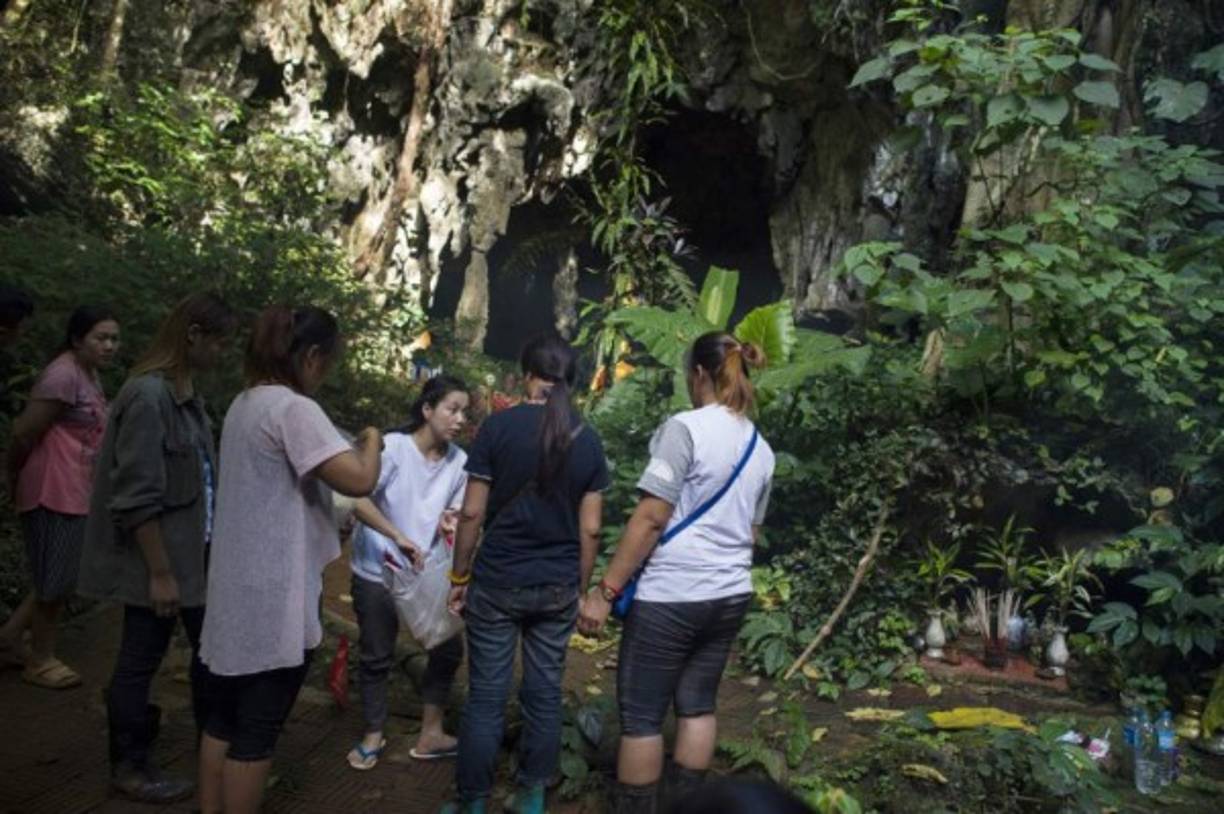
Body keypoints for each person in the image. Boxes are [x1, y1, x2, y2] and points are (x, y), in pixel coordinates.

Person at [578, 332, 776, 814]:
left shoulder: (685, 428)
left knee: (643, 716)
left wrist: (606, 591)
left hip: (673, 593)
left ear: (700, 374)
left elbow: (651, 517)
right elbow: (751, 534)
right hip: (730, 594)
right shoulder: (762, 447)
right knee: (698, 703)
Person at [197, 306, 382, 814]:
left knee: (222, 718)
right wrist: (373, 440)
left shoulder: (245, 402)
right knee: (256, 731)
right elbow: (359, 479)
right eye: (328, 362)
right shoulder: (293, 409)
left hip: (235, 587)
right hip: (272, 595)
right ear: (312, 356)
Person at [79, 293, 237, 803]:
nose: (221, 352)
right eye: (217, 341)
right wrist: (160, 572)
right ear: (192, 335)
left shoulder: (183, 395)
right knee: (139, 659)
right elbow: (137, 496)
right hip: (163, 564)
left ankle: (213, 751)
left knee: (208, 656)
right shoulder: (148, 397)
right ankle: (130, 765)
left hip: (194, 559)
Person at [441, 336, 609, 814]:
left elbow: (472, 515)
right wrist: (579, 589)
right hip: (556, 586)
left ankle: (472, 801)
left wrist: (458, 578)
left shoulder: (498, 428)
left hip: (496, 583)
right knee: (544, 691)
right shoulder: (588, 438)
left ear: (526, 376)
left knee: (486, 697)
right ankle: (532, 796)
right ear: (570, 383)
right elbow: (591, 528)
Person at [345, 374, 470, 770]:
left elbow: (453, 513)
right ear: (427, 409)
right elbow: (356, 498)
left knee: (447, 647)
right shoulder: (394, 449)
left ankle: (431, 731)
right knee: (376, 652)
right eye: (452, 409)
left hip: (424, 573)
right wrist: (396, 535)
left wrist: (449, 525)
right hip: (377, 568)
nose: (460, 419)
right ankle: (373, 733)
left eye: (465, 411)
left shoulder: (460, 462)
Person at [1, 306, 120, 687]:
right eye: (101, 338)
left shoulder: (88, 374)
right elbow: (24, 432)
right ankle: (41, 658)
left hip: (76, 487)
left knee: (57, 574)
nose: (109, 346)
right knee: (56, 578)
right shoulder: (63, 375)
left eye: (114, 339)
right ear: (76, 339)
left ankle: (9, 638)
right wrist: (12, 475)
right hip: (51, 486)